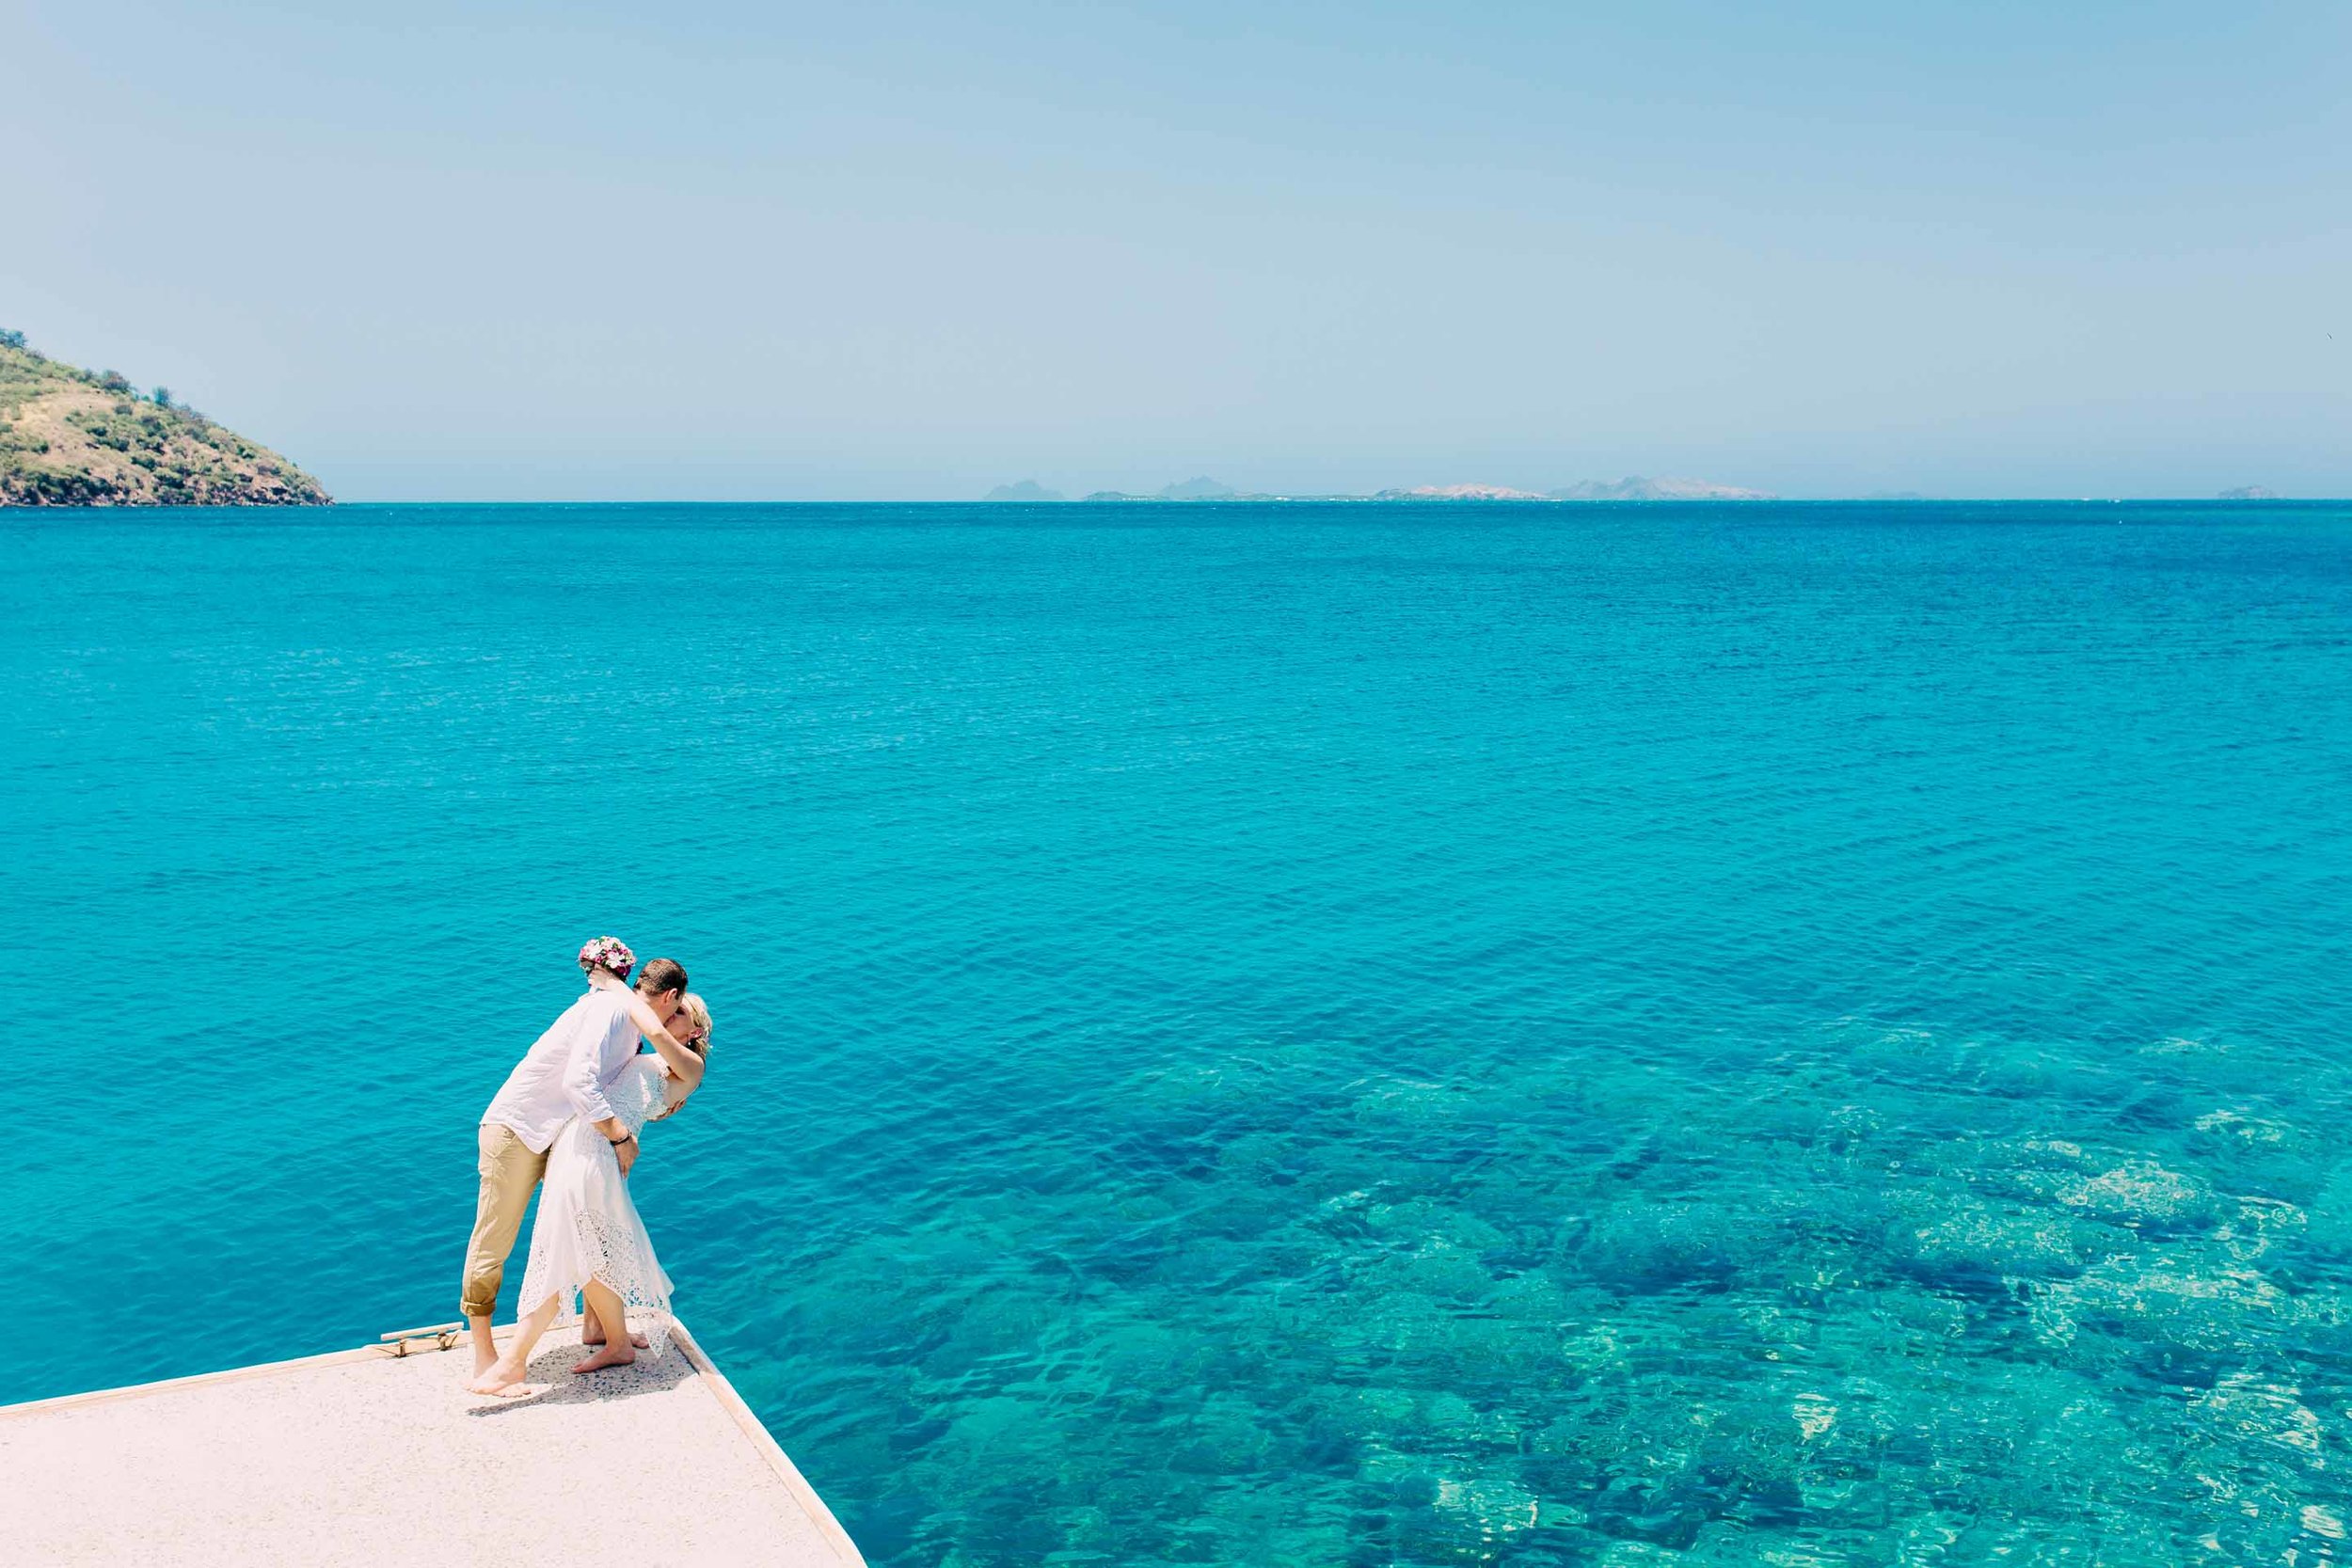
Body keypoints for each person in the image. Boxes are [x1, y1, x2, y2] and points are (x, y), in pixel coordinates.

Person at [467, 973, 711, 1397]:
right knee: (588, 1251)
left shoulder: (690, 1065)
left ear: (694, 1031)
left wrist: (619, 990)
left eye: (682, 1014)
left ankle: (512, 1363)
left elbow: (651, 1027)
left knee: (567, 1253)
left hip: (590, 1159)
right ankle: (609, 1338)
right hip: (576, 1151)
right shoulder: (646, 1050)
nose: (671, 1016)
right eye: (675, 1007)